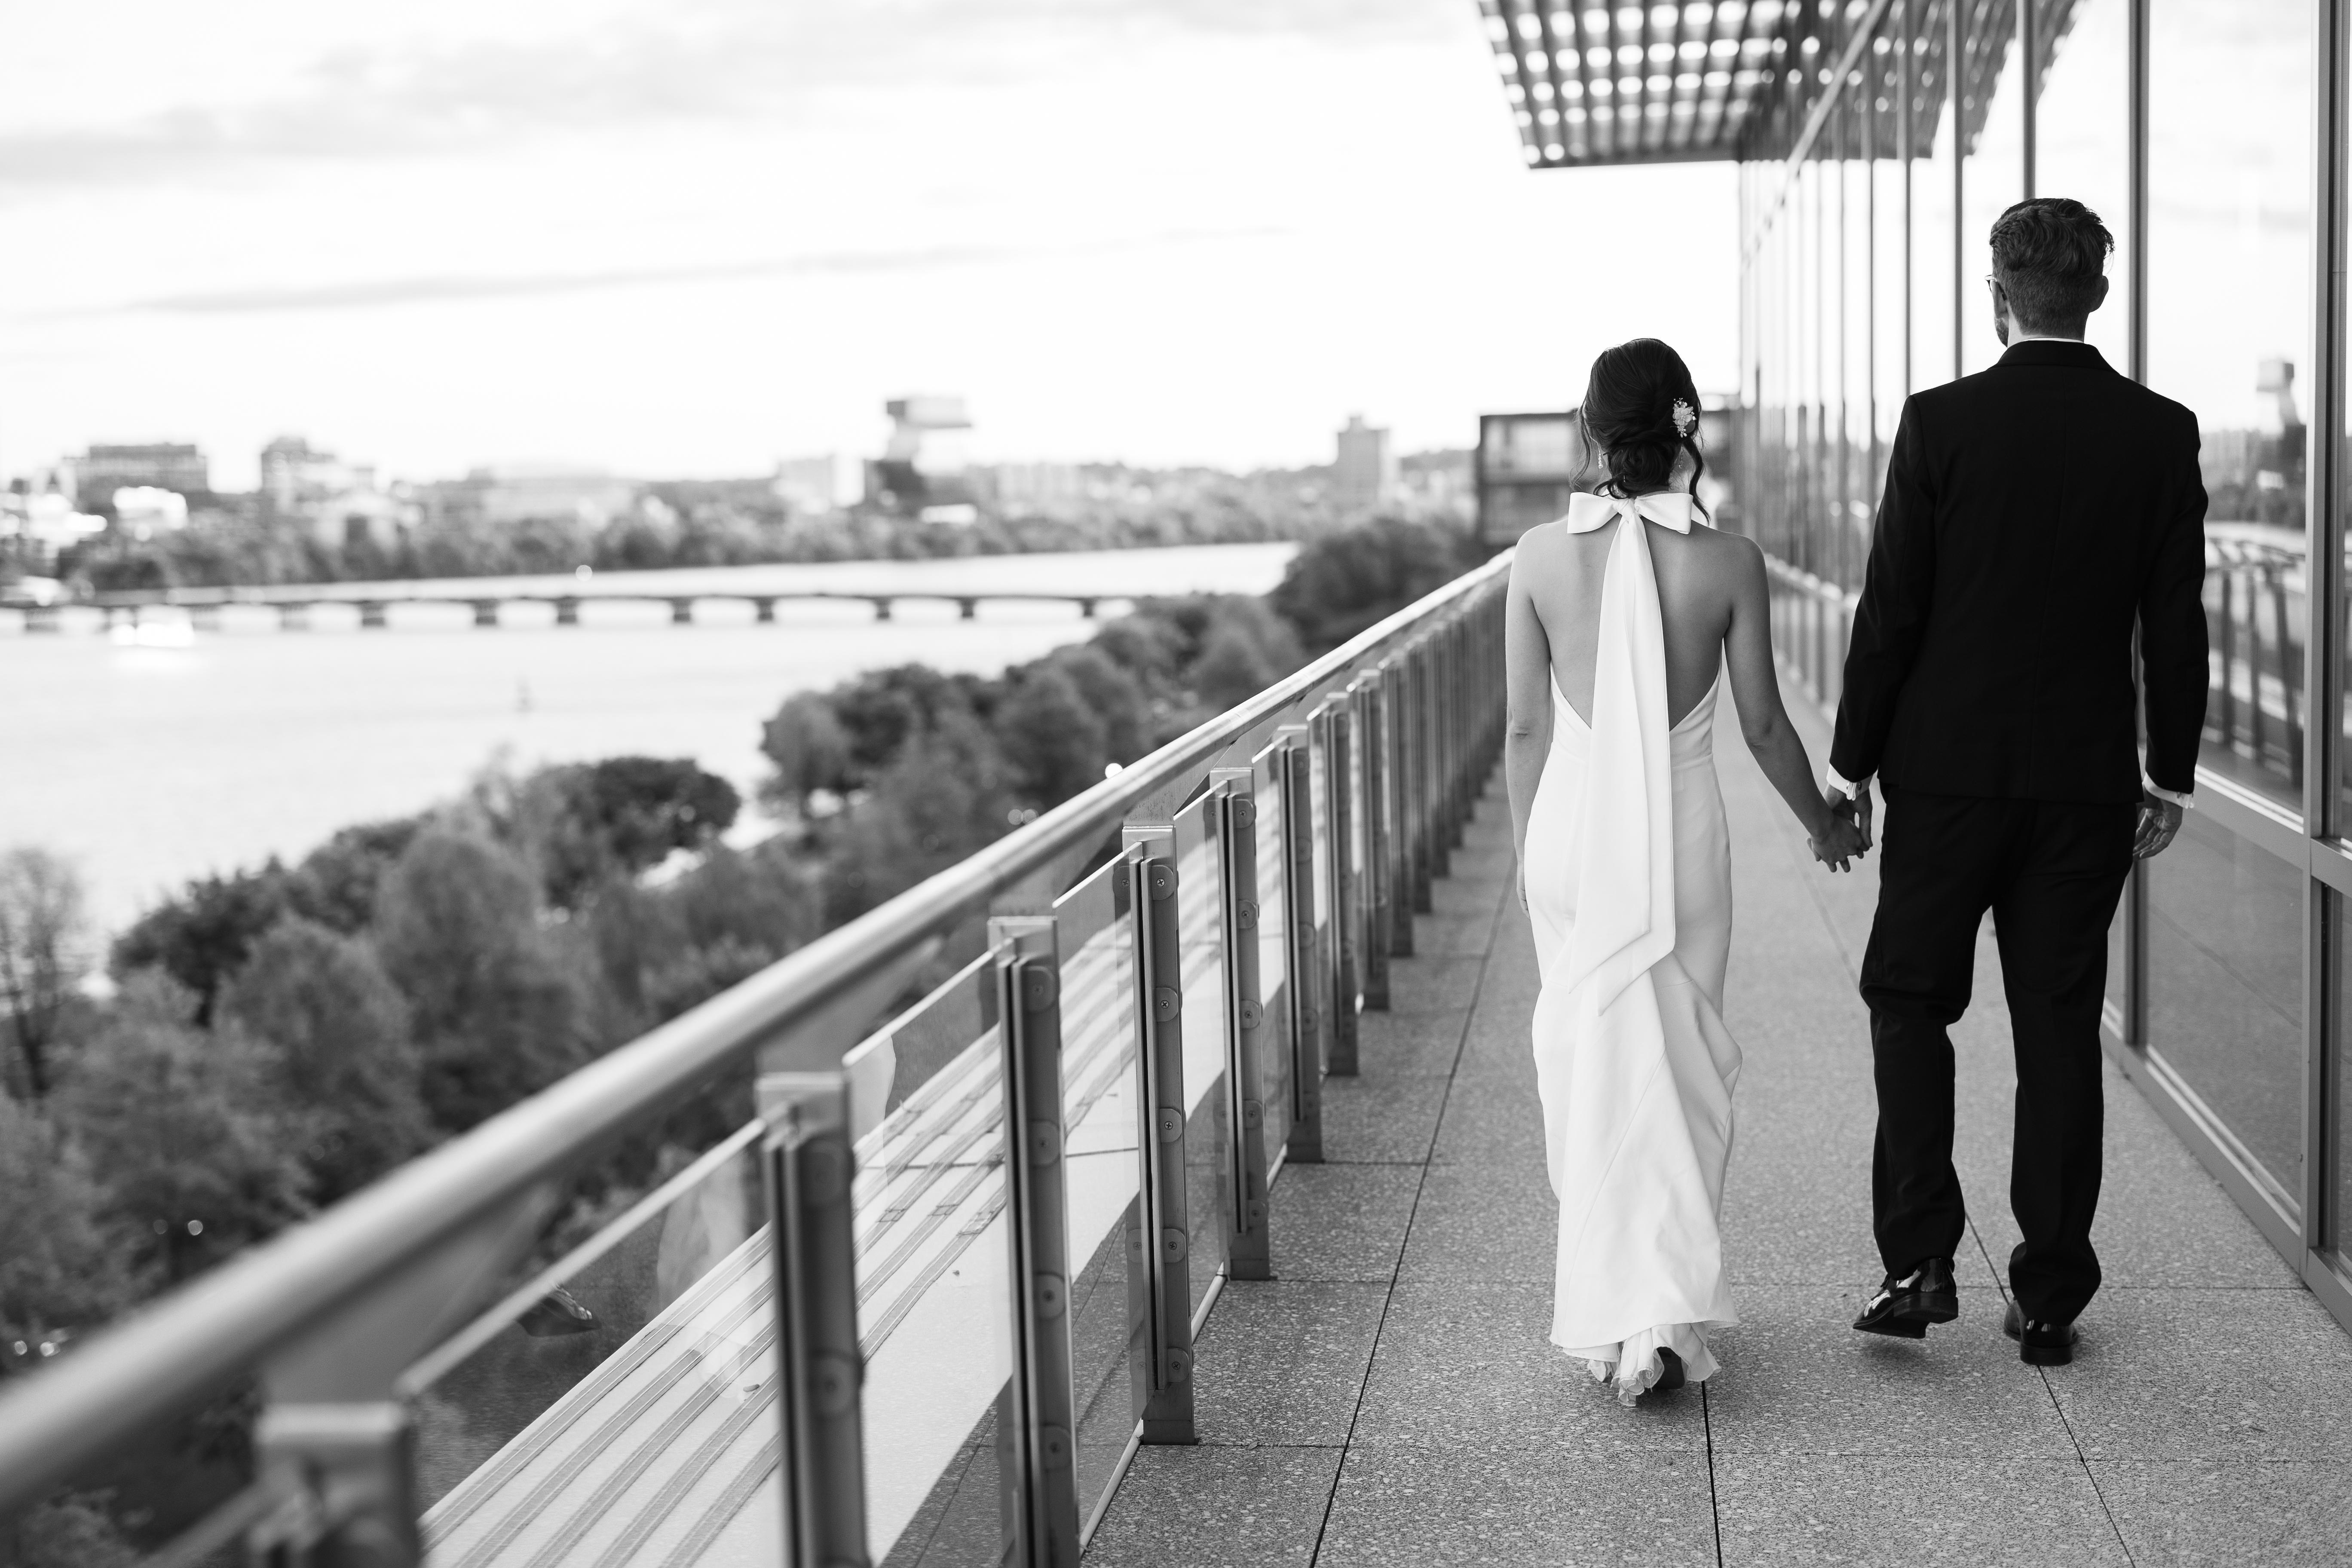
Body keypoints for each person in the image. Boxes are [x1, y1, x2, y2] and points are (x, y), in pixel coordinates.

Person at [1826, 197, 2207, 1366]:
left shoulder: (1940, 422)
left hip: (1944, 779)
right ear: (2099, 294)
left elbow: (1894, 608)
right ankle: (2048, 1298)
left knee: (1909, 1003)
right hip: (2085, 787)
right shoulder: (2161, 432)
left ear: (1998, 294)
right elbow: (2175, 622)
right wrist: (2170, 773)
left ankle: (1919, 1261)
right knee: (2057, 1028)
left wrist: (1851, 763)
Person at [1505, 338, 1868, 1406]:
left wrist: (1533, 860)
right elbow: (1763, 726)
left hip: (1570, 838)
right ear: (1686, 426)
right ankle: (1656, 1313)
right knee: (1676, 1066)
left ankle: (1620, 1313)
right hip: (1680, 841)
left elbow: (1525, 729)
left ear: (1589, 430)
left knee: (1588, 1060)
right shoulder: (1729, 562)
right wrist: (1824, 824)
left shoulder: (1537, 556)